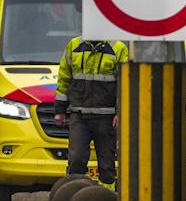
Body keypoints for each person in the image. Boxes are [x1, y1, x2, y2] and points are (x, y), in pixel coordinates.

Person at [54, 35, 130, 187]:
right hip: (79, 115)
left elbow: (126, 84)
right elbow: (64, 79)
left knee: (107, 164)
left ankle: (106, 200)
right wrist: (59, 110)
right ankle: (76, 195)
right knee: (76, 158)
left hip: (106, 117)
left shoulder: (118, 48)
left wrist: (120, 112)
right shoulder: (74, 46)